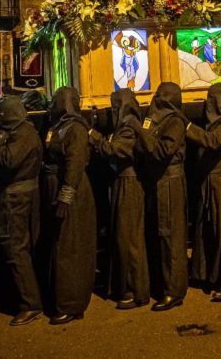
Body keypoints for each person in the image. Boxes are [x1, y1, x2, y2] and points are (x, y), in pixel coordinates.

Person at [128, 82, 188, 311]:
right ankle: (163, 284)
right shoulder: (155, 119)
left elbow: (161, 151)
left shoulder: (174, 122)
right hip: (157, 181)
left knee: (170, 235)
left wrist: (141, 133)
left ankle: (174, 290)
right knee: (159, 234)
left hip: (170, 181)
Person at [89, 89, 150, 309]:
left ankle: (135, 291)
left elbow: (116, 150)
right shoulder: (127, 123)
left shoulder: (128, 124)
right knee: (125, 237)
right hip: (124, 182)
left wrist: (95, 138)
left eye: (114, 106)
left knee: (129, 239)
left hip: (128, 183)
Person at [40, 87, 96, 325]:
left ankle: (72, 303)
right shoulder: (59, 126)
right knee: (60, 245)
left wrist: (65, 195)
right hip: (58, 188)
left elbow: (75, 163)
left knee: (71, 248)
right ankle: (62, 298)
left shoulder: (75, 128)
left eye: (56, 100)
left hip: (72, 193)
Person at [0, 97, 43, 326]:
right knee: (20, 248)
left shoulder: (23, 134)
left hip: (16, 197)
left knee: (15, 248)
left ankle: (30, 303)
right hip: (22, 194)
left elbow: (8, 160)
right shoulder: (25, 131)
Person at [186, 84, 221, 302]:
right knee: (210, 228)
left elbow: (213, 142)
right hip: (212, 179)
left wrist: (188, 127)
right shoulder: (216, 122)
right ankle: (212, 274)